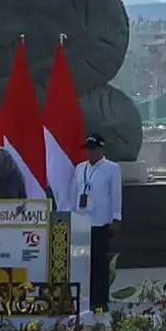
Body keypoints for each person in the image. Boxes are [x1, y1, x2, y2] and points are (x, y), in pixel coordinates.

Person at [68, 135, 123, 320]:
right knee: (82, 262)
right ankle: (84, 299)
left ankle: (100, 301)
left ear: (101, 150)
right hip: (81, 222)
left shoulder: (111, 169)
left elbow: (115, 194)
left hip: (100, 222)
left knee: (99, 263)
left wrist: (116, 218)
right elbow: (74, 193)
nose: (90, 153)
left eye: (93, 149)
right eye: (88, 149)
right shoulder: (80, 168)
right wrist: (71, 215)